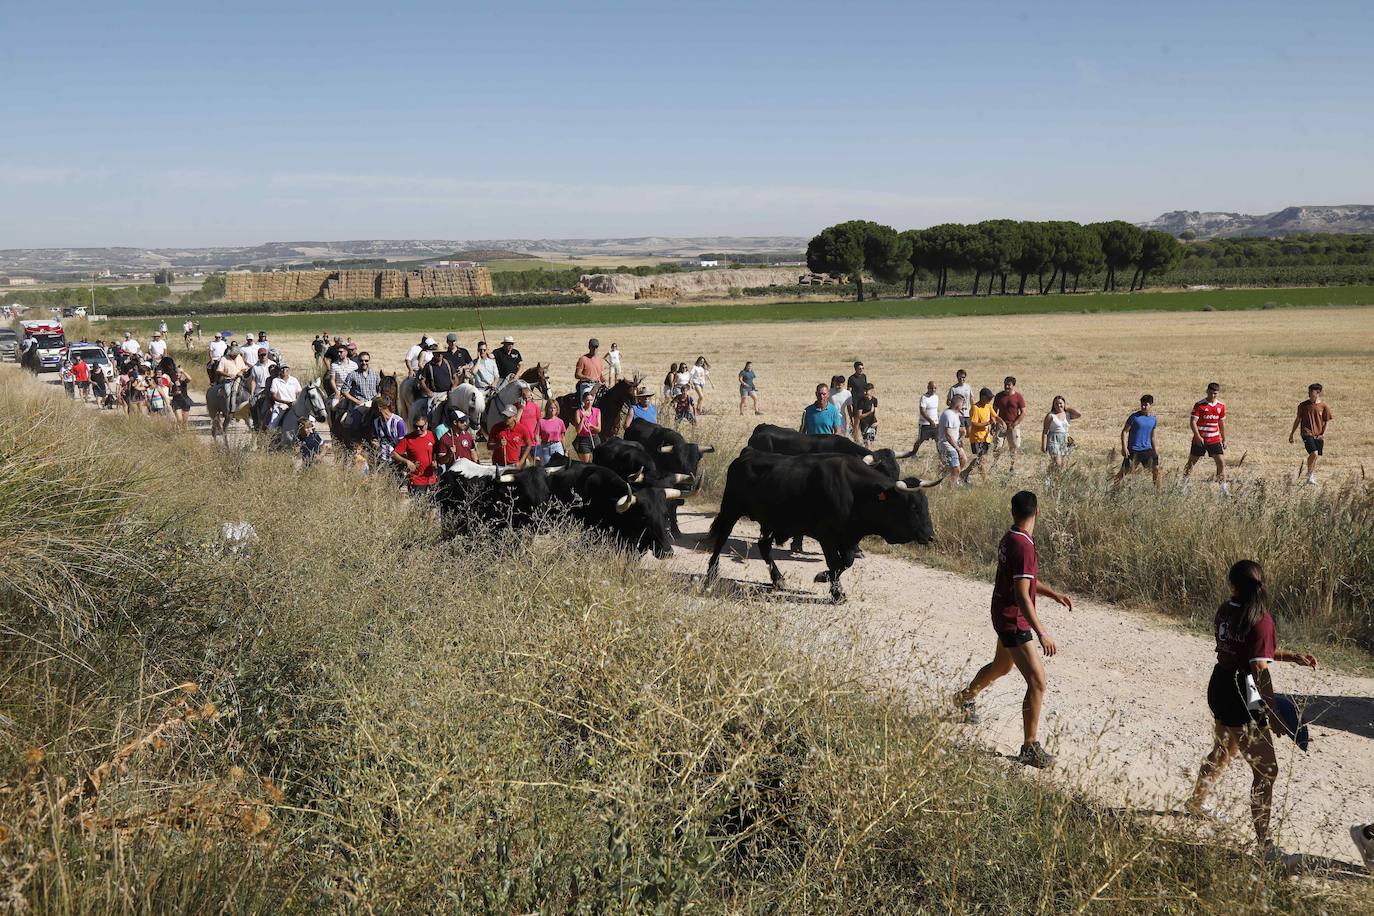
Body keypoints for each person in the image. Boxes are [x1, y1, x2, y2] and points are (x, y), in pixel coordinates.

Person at [1186, 560, 1317, 855]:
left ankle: (1196, 802)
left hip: (1220, 683)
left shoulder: (1226, 610)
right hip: (1244, 692)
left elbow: (1246, 652)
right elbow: (1258, 668)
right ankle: (1263, 845)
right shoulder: (1261, 620)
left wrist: (1292, 656)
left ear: (1232, 585)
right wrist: (1273, 714)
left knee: (1223, 750)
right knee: (1267, 771)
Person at [954, 490, 1073, 769]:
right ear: (1038, 512)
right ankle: (1029, 747)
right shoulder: (1024, 545)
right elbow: (1021, 594)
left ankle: (964, 699)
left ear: (1013, 512)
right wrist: (1041, 632)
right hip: (1013, 618)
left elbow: (1026, 581)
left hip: (1003, 613)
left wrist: (1052, 593)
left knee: (1001, 666)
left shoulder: (1012, 538)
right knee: (1037, 681)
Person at [1182, 382, 1229, 494]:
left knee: (1221, 462)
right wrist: (1198, 437)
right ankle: (1183, 485)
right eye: (1211, 393)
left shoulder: (1220, 406)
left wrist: (1224, 439)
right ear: (1207, 391)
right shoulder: (1200, 405)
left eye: (1215, 394)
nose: (1213, 396)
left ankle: (1223, 489)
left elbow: (1221, 423)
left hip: (1214, 439)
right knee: (1192, 462)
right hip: (1200, 440)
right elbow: (1193, 422)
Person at [1114, 394, 1161, 492]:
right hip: (1133, 450)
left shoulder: (1153, 419)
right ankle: (1114, 488)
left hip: (1147, 449)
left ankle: (1159, 493)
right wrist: (1124, 447)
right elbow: (1124, 431)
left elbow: (1152, 436)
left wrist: (1155, 451)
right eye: (1142, 404)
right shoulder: (1134, 417)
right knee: (1124, 472)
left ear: (1151, 405)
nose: (1143, 407)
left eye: (1146, 405)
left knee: (1156, 469)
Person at [1289, 383, 1333, 485]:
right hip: (1306, 432)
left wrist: (1323, 434)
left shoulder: (1324, 406)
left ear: (1318, 393)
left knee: (1315, 456)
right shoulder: (1303, 405)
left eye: (1311, 392)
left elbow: (1326, 421)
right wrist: (1292, 434)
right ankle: (1309, 475)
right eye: (1308, 391)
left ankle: (1310, 476)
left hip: (1318, 434)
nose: (1308, 393)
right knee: (1314, 453)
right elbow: (1298, 420)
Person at [392, 413, 438, 495]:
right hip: (416, 479)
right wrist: (407, 462)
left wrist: (436, 461)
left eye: (421, 427)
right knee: (418, 505)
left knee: (432, 505)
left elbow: (437, 452)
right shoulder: (408, 438)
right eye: (415, 426)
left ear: (426, 424)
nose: (418, 429)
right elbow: (394, 454)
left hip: (431, 478)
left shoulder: (432, 436)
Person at [962, 388, 1000, 484]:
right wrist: (987, 423)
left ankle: (964, 474)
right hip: (976, 437)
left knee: (980, 460)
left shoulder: (988, 406)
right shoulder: (975, 408)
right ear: (983, 397)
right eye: (989, 398)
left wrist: (1002, 422)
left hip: (986, 438)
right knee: (981, 459)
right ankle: (985, 480)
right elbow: (974, 423)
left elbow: (995, 416)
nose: (990, 400)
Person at [992, 377, 1027, 470]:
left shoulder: (1018, 397)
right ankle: (995, 465)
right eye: (1005, 384)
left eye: (1009, 385)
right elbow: (994, 412)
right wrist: (994, 424)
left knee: (1014, 447)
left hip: (1013, 425)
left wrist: (1015, 424)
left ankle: (1012, 466)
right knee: (997, 446)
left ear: (1013, 385)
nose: (1006, 386)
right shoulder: (999, 396)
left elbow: (1023, 412)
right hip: (1000, 424)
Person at [1041, 396, 1081, 472]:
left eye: (1060, 403)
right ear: (1053, 405)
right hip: (1053, 440)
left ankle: (1050, 477)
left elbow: (1079, 414)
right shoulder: (1050, 415)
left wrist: (1068, 408)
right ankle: (1049, 477)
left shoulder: (1067, 414)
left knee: (1063, 465)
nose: (1059, 405)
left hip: (1065, 440)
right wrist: (1043, 445)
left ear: (1064, 404)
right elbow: (1045, 431)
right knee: (1058, 463)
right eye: (1056, 404)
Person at [343, 352, 381, 421]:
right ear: (358, 361)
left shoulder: (375, 374)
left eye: (366, 361)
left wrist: (377, 398)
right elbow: (344, 391)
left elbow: (380, 390)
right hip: (359, 406)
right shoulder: (352, 374)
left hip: (373, 405)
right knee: (355, 423)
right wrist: (357, 401)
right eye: (361, 361)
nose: (364, 363)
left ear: (369, 361)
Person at [938, 394, 966, 485]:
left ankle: (947, 476)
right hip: (947, 445)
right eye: (962, 404)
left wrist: (962, 432)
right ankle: (951, 488)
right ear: (958, 405)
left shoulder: (955, 414)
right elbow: (948, 434)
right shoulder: (948, 414)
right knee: (956, 469)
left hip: (953, 443)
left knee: (963, 459)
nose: (963, 407)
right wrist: (958, 449)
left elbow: (954, 429)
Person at [372, 398, 407, 463]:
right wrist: (374, 442)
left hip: (397, 459)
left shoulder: (398, 422)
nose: (373, 412)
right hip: (382, 459)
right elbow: (375, 437)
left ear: (379, 408)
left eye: (374, 410)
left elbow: (403, 443)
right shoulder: (376, 422)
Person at [535, 399, 567, 465]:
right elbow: (536, 436)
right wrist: (537, 452)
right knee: (547, 469)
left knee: (559, 468)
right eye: (551, 408)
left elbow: (562, 437)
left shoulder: (560, 421)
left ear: (557, 409)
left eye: (554, 408)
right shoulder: (541, 421)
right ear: (547, 408)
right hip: (545, 448)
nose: (552, 410)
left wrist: (565, 449)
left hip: (557, 447)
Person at [268, 364, 301, 429]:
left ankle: (312, 436)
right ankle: (270, 437)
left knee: (310, 420)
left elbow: (299, 393)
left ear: (288, 370)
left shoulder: (294, 380)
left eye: (285, 368)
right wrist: (284, 402)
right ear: (279, 371)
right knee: (272, 425)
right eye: (282, 368)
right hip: (280, 406)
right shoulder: (276, 381)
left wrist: (297, 402)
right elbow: (273, 396)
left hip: (293, 405)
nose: (283, 370)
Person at [913, 380, 941, 456]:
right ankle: (913, 453)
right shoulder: (924, 398)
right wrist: (930, 421)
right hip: (925, 424)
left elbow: (935, 410)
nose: (933, 390)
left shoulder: (936, 397)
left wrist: (937, 420)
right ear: (928, 388)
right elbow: (922, 411)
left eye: (935, 388)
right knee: (920, 440)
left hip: (935, 423)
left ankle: (941, 455)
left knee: (938, 440)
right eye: (931, 388)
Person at [573, 390, 602, 461]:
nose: (589, 402)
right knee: (586, 463)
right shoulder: (578, 412)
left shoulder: (597, 411)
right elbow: (578, 431)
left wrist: (592, 426)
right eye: (587, 400)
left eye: (591, 400)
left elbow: (599, 429)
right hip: (583, 440)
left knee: (598, 461)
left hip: (595, 438)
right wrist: (583, 419)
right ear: (583, 401)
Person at [948, 369, 973, 434]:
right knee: (962, 432)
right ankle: (958, 443)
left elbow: (971, 399)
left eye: (963, 377)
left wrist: (973, 409)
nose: (962, 379)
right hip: (958, 414)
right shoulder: (953, 388)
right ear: (957, 377)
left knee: (969, 432)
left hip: (967, 413)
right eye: (960, 377)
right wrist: (955, 409)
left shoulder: (968, 387)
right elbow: (948, 402)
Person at [170, 364, 193, 431]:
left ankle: (184, 433)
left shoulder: (184, 381)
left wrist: (183, 371)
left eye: (179, 373)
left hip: (185, 401)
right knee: (179, 419)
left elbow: (190, 379)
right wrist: (175, 393)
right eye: (176, 372)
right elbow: (170, 393)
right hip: (176, 402)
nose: (177, 374)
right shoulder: (172, 382)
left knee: (185, 421)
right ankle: (178, 432)